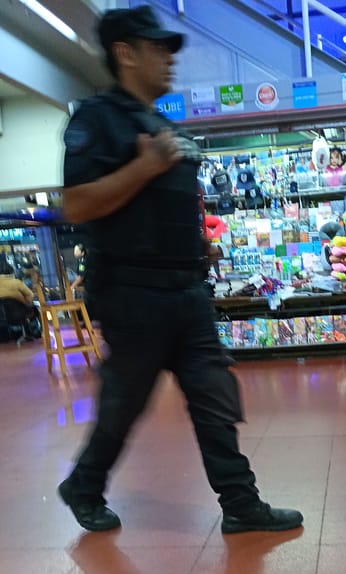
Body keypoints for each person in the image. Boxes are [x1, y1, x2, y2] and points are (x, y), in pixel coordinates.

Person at [57, 5, 303, 535]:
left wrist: (198, 249)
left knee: (214, 397)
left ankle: (241, 503)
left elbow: (159, 209)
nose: (169, 59)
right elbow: (76, 205)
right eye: (157, 48)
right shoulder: (95, 119)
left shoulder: (162, 122)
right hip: (132, 296)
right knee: (125, 405)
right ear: (125, 53)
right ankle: (83, 484)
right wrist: (144, 166)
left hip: (187, 291)